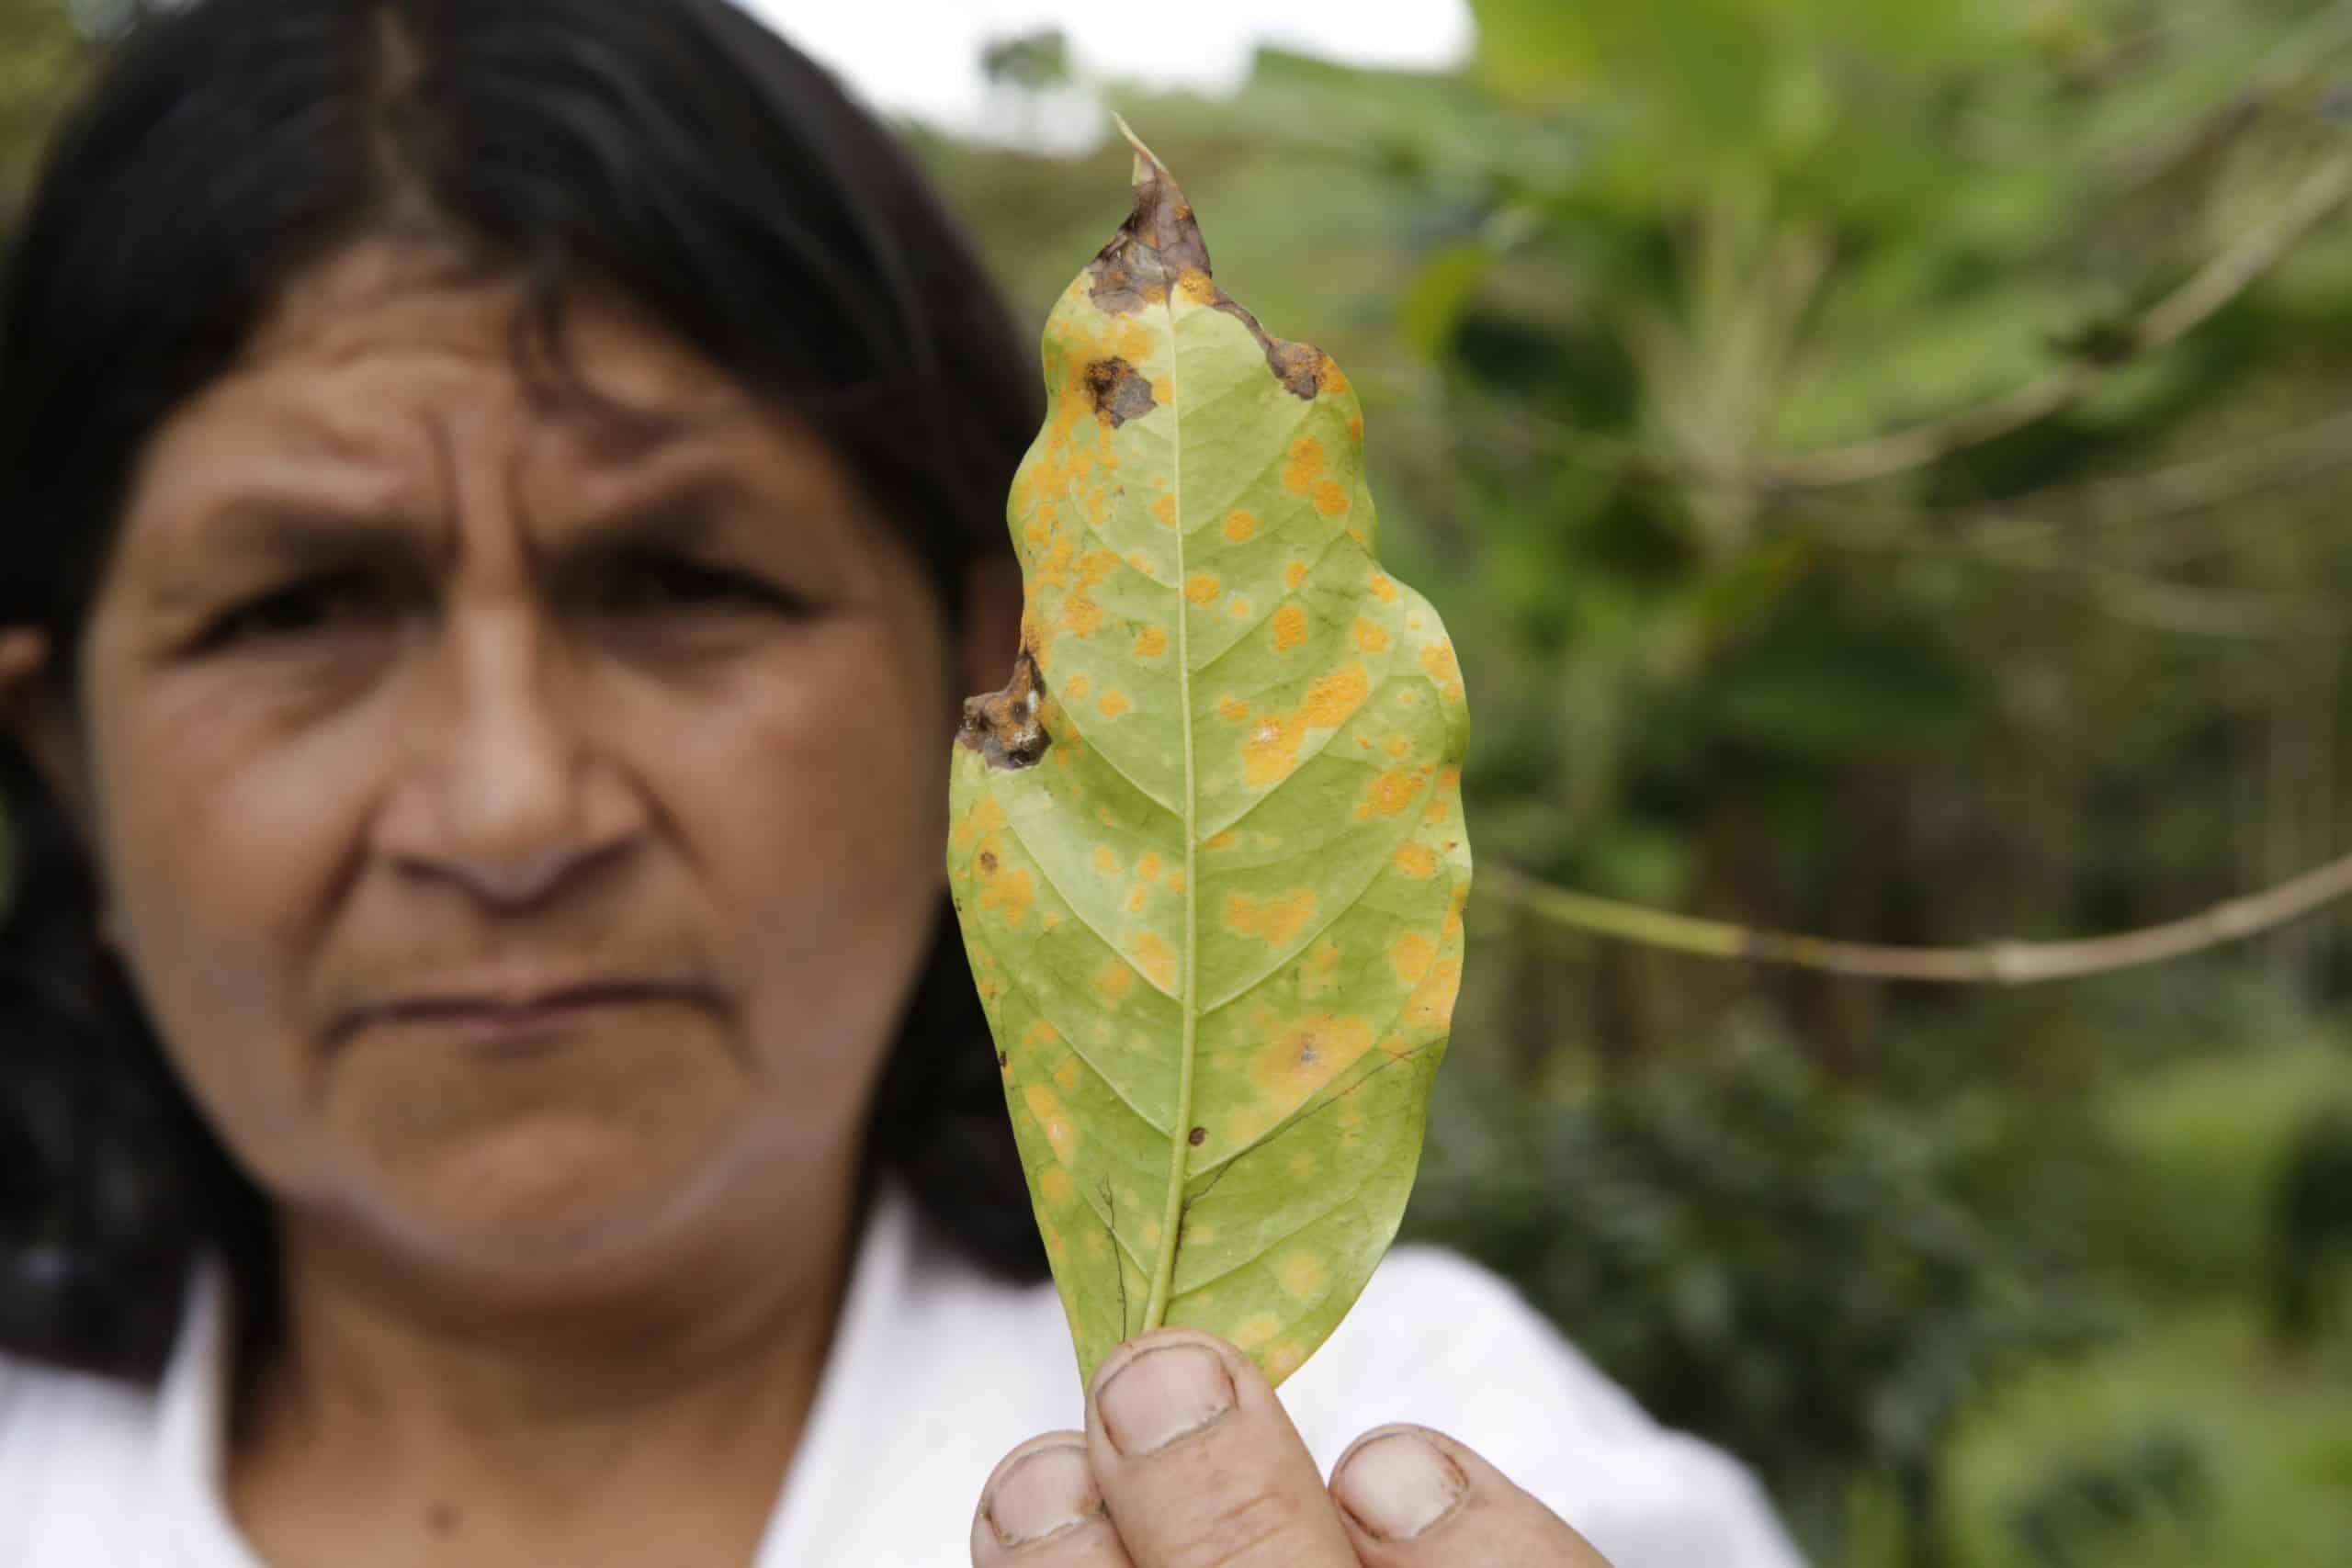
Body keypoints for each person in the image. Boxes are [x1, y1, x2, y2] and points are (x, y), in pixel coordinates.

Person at [0, 1, 1807, 1563]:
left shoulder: (1415, 1450)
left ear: (997, 678)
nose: (508, 810)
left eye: (681, 582)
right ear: (60, 750)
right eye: (298, 607)